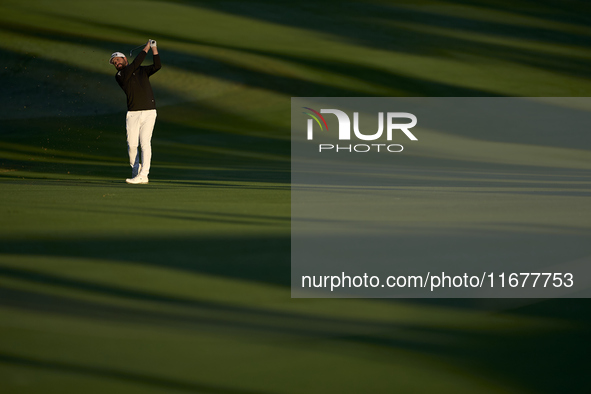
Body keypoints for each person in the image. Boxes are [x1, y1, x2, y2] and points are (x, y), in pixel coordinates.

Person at [109, 39, 161, 184]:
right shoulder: (120, 76)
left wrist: (154, 48)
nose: (116, 63)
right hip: (133, 113)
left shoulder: (140, 70)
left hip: (149, 111)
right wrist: (146, 48)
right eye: (114, 62)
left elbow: (157, 65)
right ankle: (135, 171)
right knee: (132, 145)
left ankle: (144, 174)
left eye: (118, 60)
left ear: (125, 58)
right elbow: (135, 64)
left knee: (145, 143)